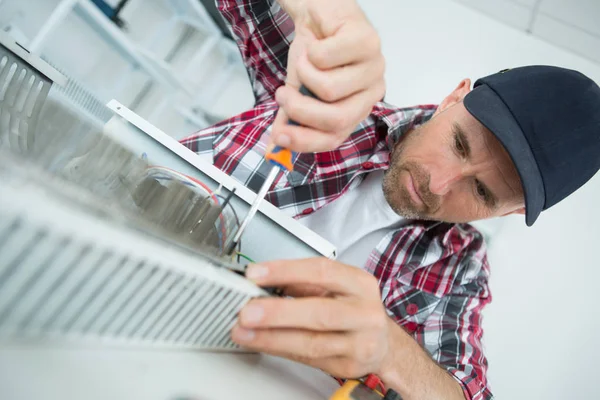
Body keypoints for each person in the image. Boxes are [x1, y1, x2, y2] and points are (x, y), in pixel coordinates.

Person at [180, 1, 600, 399]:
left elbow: (463, 392)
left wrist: (391, 351)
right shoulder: (335, 102)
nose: (438, 185)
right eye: (458, 144)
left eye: (481, 191)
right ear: (453, 97)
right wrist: (321, 12)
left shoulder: (456, 268)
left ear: (508, 211)